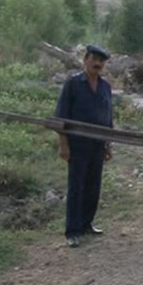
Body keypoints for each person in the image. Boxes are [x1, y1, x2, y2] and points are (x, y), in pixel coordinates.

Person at [54, 45, 113, 248]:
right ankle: (73, 231)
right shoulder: (73, 84)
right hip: (77, 145)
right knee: (76, 187)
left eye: (101, 61)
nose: (98, 64)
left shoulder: (105, 87)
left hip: (98, 145)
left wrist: (108, 145)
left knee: (93, 186)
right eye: (94, 59)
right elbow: (61, 116)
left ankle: (87, 224)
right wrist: (63, 144)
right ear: (85, 60)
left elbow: (108, 118)